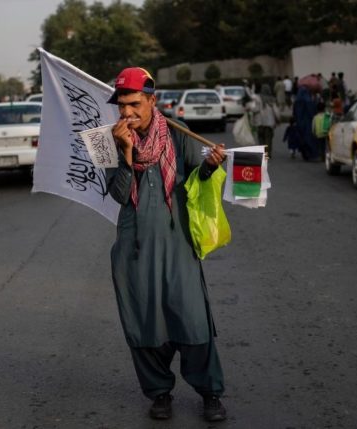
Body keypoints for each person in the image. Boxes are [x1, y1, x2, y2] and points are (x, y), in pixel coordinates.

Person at [106, 67, 228, 422]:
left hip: (178, 243)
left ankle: (210, 393)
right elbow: (117, 194)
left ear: (151, 100)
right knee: (144, 322)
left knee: (192, 319)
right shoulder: (106, 141)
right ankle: (159, 392)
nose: (126, 113)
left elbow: (195, 177)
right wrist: (125, 152)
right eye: (121, 106)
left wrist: (209, 167)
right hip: (134, 247)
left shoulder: (178, 133)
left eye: (133, 104)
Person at [250, 83, 279, 157]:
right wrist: (278, 119)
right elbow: (276, 111)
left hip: (260, 122)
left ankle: (263, 152)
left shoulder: (257, 98)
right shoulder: (272, 99)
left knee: (261, 138)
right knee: (268, 138)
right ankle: (268, 153)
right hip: (270, 123)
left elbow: (254, 109)